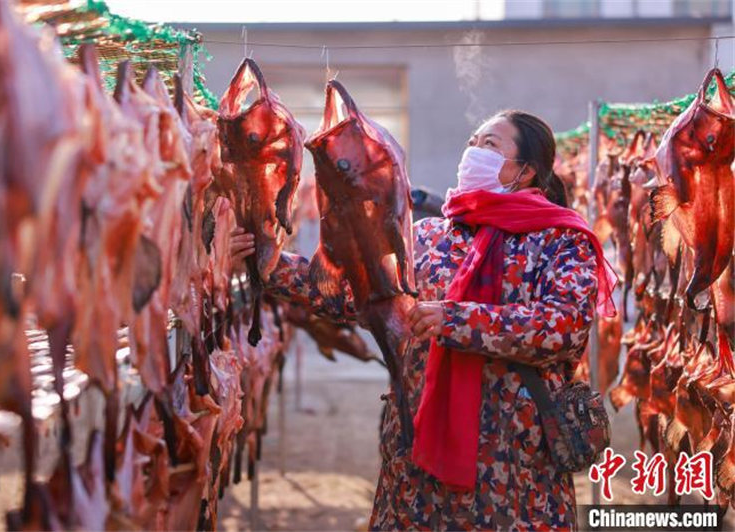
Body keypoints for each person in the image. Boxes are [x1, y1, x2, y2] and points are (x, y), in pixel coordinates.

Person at [230, 110, 616, 530]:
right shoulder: (430, 237)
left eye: (490, 145)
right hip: (417, 461)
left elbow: (563, 327)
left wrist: (455, 319)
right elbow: (357, 295)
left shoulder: (561, 240)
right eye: (472, 142)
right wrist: (266, 261)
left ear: (525, 172)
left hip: (513, 466)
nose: (473, 152)